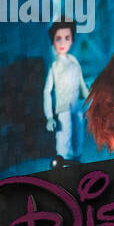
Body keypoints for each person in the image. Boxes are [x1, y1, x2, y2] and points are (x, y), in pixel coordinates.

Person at [43, 20, 90, 166]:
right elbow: (47, 92)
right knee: (65, 140)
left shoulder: (74, 61)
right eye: (58, 38)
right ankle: (64, 166)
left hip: (77, 107)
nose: (63, 42)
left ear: (72, 40)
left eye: (67, 38)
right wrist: (50, 117)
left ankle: (77, 164)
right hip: (63, 110)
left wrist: (89, 102)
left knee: (78, 138)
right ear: (53, 42)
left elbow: (81, 84)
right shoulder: (54, 67)